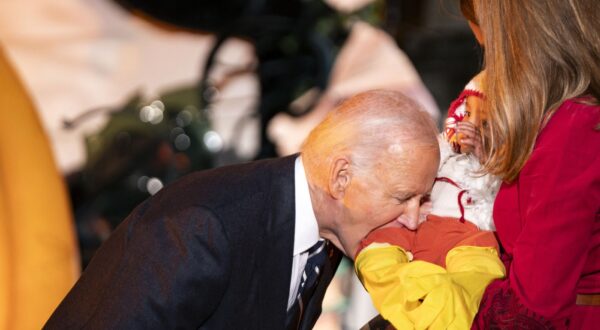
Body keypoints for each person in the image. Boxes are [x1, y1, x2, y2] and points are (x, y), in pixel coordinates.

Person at [44, 90, 440, 329]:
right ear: (341, 178)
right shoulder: (202, 228)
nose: (414, 216)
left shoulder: (326, 234)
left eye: (422, 200)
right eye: (404, 196)